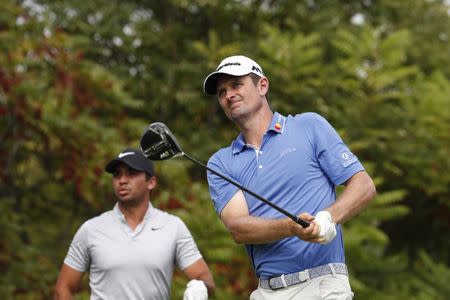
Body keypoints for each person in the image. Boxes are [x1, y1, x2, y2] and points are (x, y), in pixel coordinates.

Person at [203, 55, 376, 299]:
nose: (228, 95)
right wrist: (290, 227)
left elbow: (364, 186)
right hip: (267, 291)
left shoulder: (309, 127)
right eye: (222, 92)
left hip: (323, 285)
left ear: (262, 85)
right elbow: (239, 229)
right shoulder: (220, 162)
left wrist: (328, 218)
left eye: (236, 85)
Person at [54, 148, 215, 300]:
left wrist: (199, 287)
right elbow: (64, 287)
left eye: (131, 173)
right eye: (117, 175)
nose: (122, 180)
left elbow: (205, 278)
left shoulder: (172, 227)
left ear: (151, 182)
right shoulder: (91, 229)